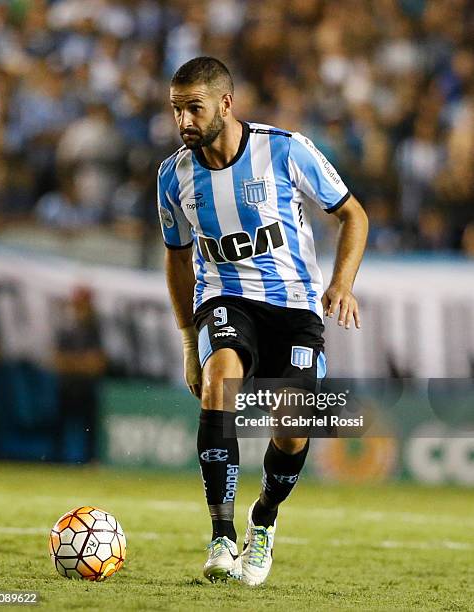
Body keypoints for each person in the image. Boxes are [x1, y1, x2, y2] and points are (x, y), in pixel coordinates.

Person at [157, 57, 368, 586]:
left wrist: (341, 283)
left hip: (296, 308)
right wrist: (189, 341)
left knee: (294, 424)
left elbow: (352, 214)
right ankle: (222, 536)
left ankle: (264, 520)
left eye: (194, 108)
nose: (183, 121)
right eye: (176, 110)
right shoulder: (173, 175)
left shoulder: (285, 148)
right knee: (220, 380)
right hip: (225, 299)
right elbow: (178, 257)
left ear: (225, 105)